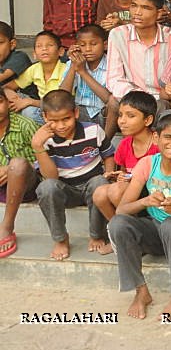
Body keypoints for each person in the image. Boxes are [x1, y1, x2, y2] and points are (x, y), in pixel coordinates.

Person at [108, 113, 171, 319]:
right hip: (155, 229)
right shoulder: (147, 163)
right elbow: (122, 209)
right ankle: (141, 291)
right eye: (168, 137)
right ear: (156, 138)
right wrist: (145, 201)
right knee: (118, 224)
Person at [31, 90, 113, 261]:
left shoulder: (93, 130)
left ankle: (97, 234)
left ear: (75, 113)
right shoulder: (44, 139)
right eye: (54, 121)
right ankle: (61, 239)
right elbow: (51, 177)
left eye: (66, 119)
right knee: (46, 187)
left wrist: (108, 175)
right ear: (45, 117)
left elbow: (107, 154)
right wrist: (38, 146)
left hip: (93, 185)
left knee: (99, 182)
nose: (61, 126)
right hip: (66, 189)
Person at [91, 91, 159, 231]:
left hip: (153, 194)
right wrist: (119, 177)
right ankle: (118, 232)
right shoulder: (125, 144)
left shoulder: (158, 143)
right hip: (131, 194)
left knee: (116, 191)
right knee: (99, 193)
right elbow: (124, 173)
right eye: (120, 115)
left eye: (131, 116)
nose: (122, 121)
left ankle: (137, 233)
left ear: (148, 120)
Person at [106, 0, 171, 101]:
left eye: (146, 8)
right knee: (113, 102)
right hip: (132, 98)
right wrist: (139, 98)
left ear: (159, 13)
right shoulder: (118, 35)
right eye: (134, 6)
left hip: (165, 98)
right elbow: (114, 79)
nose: (137, 12)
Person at [59, 24, 115, 139]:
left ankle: (106, 143)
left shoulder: (112, 64)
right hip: (79, 112)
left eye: (93, 44)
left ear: (105, 45)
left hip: (103, 114)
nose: (88, 49)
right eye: (82, 45)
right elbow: (63, 96)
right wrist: (74, 67)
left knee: (114, 104)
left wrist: (83, 72)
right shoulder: (73, 63)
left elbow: (108, 99)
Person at [0, 92, 38, 259]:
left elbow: (50, 157)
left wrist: (11, 169)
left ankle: (6, 227)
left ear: (8, 103)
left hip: (28, 184)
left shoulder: (26, 125)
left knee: (17, 165)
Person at [8, 31, 67, 124]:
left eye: (50, 45)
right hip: (43, 107)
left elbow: (57, 103)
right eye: (39, 46)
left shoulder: (65, 70)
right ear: (34, 54)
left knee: (28, 112)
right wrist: (9, 93)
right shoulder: (35, 68)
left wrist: (30, 102)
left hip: (60, 110)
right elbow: (9, 86)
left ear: (61, 51)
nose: (44, 49)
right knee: (9, 100)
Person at [0, 22, 32, 89]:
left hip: (27, 97)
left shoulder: (19, 57)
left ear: (12, 44)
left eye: (0, 43)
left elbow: (2, 76)